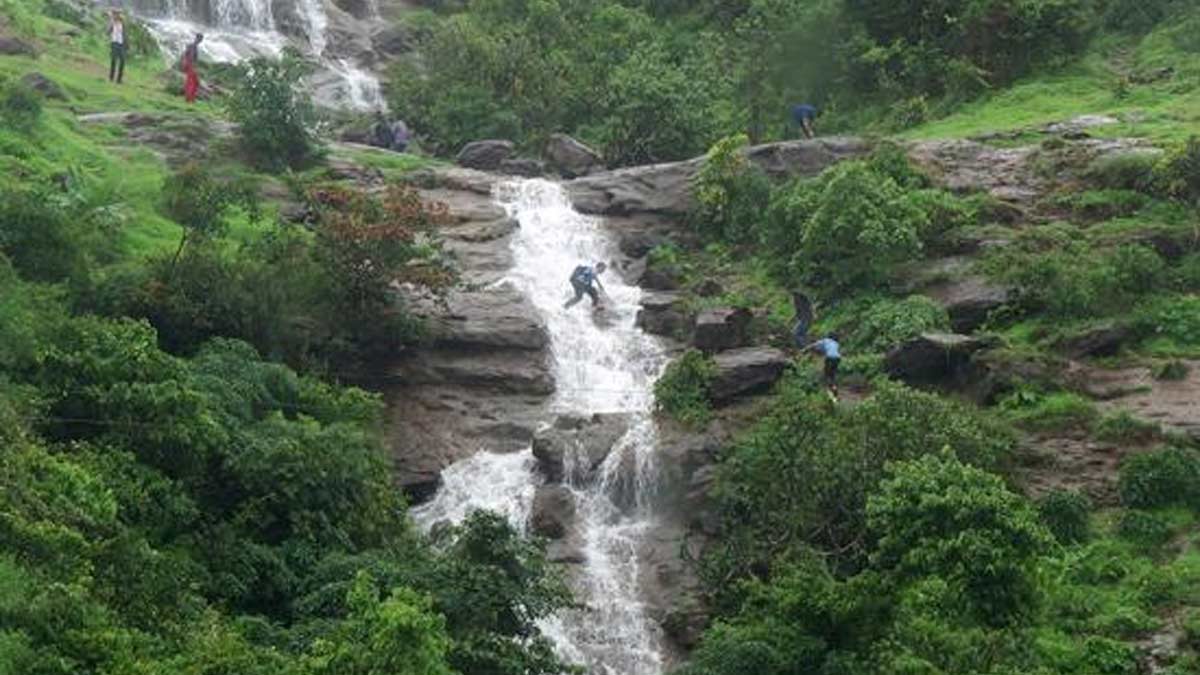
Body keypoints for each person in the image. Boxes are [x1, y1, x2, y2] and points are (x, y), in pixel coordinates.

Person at [808, 332, 841, 397]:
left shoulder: (825, 340)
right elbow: (832, 351)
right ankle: (834, 387)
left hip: (829, 358)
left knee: (826, 374)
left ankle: (828, 390)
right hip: (837, 358)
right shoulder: (836, 343)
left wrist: (804, 349)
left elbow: (813, 345)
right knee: (832, 374)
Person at [182, 33, 203, 104]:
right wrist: (191, 66)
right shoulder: (192, 46)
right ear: (196, 38)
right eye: (200, 39)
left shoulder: (193, 46)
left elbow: (186, 55)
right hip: (190, 65)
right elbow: (189, 56)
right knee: (193, 82)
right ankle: (189, 99)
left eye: (201, 39)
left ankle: (190, 98)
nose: (200, 40)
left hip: (190, 65)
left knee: (193, 82)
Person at [108, 10, 126, 84]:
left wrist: (126, 43)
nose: (118, 16)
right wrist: (111, 22)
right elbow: (108, 31)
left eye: (119, 15)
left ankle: (119, 79)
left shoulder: (122, 24)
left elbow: (124, 34)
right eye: (116, 15)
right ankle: (111, 78)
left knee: (122, 61)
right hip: (114, 43)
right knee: (114, 60)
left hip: (121, 43)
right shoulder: (113, 23)